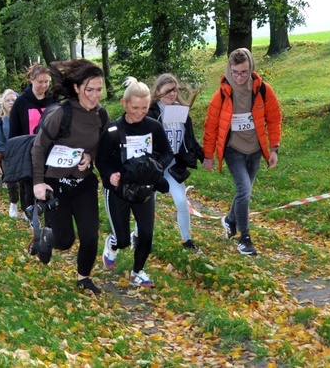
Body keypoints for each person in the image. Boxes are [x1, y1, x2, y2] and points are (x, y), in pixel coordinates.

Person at [31, 59, 109, 295]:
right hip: (56, 184)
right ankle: (46, 236)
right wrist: (38, 182)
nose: (95, 95)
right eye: (89, 89)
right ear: (76, 87)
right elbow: (38, 147)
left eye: (99, 89)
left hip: (83, 183)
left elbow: (102, 146)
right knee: (65, 240)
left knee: (90, 236)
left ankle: (83, 278)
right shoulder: (61, 114)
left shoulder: (101, 116)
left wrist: (90, 156)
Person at [202, 48, 282, 256]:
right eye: (235, 72)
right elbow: (210, 126)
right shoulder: (221, 94)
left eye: (244, 72)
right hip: (233, 150)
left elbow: (274, 119)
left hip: (255, 150)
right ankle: (244, 238)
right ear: (229, 69)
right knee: (245, 191)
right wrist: (208, 155)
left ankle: (229, 220)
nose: (239, 77)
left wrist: (274, 148)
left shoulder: (263, 90)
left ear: (251, 68)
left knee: (243, 194)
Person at [96, 77, 173, 288]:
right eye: (135, 107)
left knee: (146, 234)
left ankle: (137, 272)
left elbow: (167, 152)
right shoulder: (112, 131)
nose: (140, 112)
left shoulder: (154, 127)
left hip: (144, 188)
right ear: (124, 103)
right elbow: (101, 160)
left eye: (145, 107)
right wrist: (110, 175)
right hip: (118, 190)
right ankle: (114, 242)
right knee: (123, 241)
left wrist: (156, 166)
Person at [147, 74, 205, 253]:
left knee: (181, 201)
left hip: (173, 166)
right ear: (158, 91)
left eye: (174, 90)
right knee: (148, 204)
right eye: (167, 91)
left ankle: (187, 240)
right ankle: (137, 236)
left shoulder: (182, 112)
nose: (171, 94)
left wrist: (205, 157)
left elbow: (190, 140)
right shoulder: (150, 112)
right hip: (154, 166)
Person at [8, 64, 55, 224]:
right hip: (29, 154)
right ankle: (34, 220)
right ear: (31, 79)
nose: (44, 85)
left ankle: (50, 221)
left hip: (51, 153)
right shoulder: (20, 103)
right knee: (30, 189)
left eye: (47, 82)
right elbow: (13, 135)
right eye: (40, 81)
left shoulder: (53, 100)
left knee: (50, 186)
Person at [0, 89, 21, 218]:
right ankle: (13, 204)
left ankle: (27, 208)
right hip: (7, 156)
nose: (10, 103)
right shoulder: (0, 122)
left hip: (24, 154)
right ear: (3, 103)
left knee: (26, 183)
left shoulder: (23, 119)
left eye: (13, 100)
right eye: (7, 100)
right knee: (12, 182)